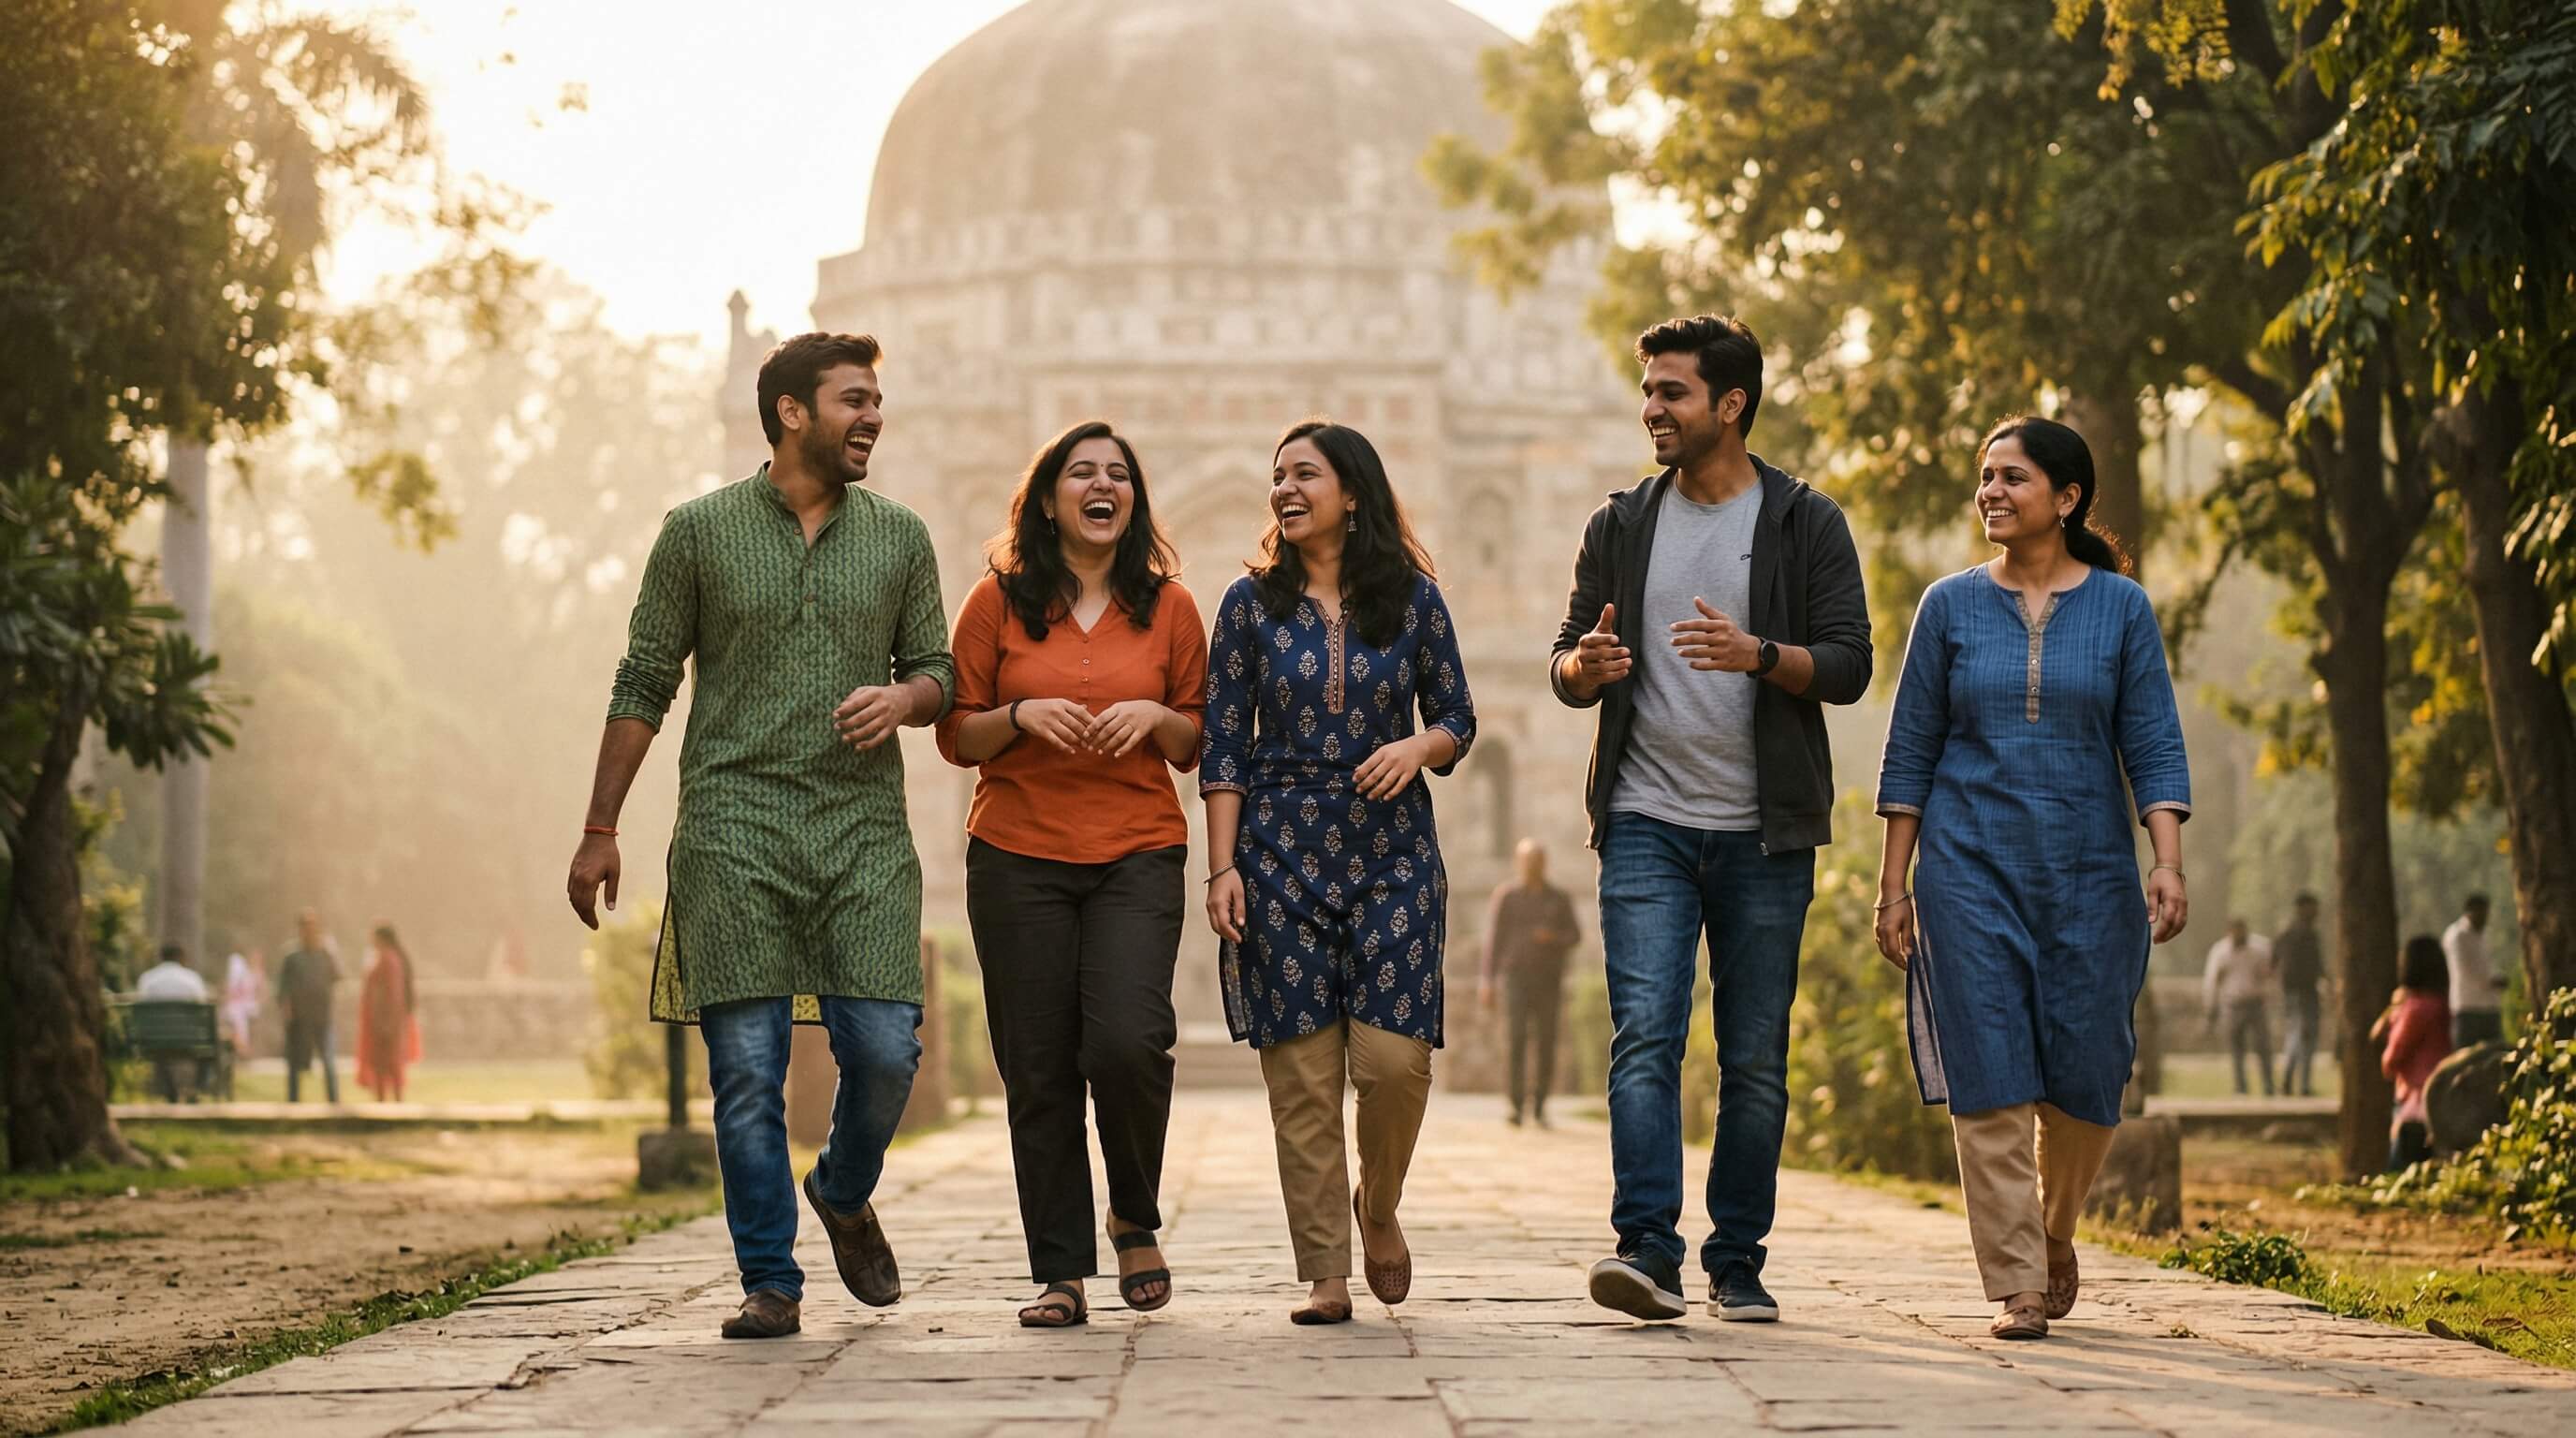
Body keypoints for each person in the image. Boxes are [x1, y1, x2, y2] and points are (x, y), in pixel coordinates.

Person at [566, 331, 954, 1341]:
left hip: (860, 827)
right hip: (733, 824)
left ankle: (840, 1185)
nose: (873, 416)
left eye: (878, 400)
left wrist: (905, 698)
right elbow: (644, 679)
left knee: (884, 1052)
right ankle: (769, 1279)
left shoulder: (900, 536)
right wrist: (600, 826)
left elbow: (940, 670)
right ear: (791, 412)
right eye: (853, 400)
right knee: (746, 1071)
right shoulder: (697, 532)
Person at [1551, 315, 1872, 1323]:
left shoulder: (1803, 522)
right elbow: (1565, 660)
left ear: (1730, 406)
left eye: (1672, 393)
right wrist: (1581, 669)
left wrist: (1760, 657)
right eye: (1646, 391)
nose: (1651, 408)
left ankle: (1737, 1259)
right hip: (1644, 813)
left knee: (1752, 1054)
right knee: (1644, 1035)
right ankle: (1647, 1249)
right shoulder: (1620, 525)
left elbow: (1851, 665)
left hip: (1762, 829)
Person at [1874, 415, 2191, 1343]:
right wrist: (1894, 887)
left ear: (2067, 497)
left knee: (2091, 1068)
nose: (1991, 493)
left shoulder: (2121, 611)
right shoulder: (1947, 607)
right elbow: (1908, 757)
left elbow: (2154, 745)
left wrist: (2164, 862)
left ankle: (2053, 1233)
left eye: (2011, 477)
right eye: (1984, 477)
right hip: (1967, 871)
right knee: (1990, 1073)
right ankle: (2016, 1282)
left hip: (2091, 872)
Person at [1203, 419, 1476, 1326]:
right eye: (1275, 475)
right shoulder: (1247, 605)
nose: (1284, 488)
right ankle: (1325, 1270)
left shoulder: (1413, 601)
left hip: (1389, 849)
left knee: (1393, 1063)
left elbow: (1458, 720)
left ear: (1351, 493)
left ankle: (1379, 1206)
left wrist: (1415, 745)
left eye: (1304, 474)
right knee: (1302, 1078)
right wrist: (1222, 869)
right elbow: (1222, 749)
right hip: (1278, 853)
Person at [934, 420, 1207, 1328]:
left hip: (1136, 848)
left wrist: (1150, 716)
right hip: (1017, 854)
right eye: (1081, 472)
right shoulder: (996, 603)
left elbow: (1199, 736)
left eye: (1118, 474)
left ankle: (1133, 1212)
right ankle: (1060, 1271)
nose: (1101, 485)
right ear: (1048, 496)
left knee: (1129, 1042)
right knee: (1039, 1067)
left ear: (1134, 500)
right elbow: (956, 735)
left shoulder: (1168, 609)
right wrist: (1020, 713)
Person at [1479, 839, 1580, 1128]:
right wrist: (1487, 981)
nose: (1532, 866)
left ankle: (1540, 1105)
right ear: (1519, 863)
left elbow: (1574, 935)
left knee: (1547, 1042)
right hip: (1515, 979)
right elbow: (1493, 942)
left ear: (1544, 863)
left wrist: (1553, 938)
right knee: (1516, 1040)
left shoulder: (1559, 898)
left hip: (1549, 980)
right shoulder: (1507, 896)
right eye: (1527, 860)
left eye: (1537, 860)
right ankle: (1515, 1105)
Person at [2375, 935, 2453, 1170]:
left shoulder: (2415, 1009)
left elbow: (2393, 1058)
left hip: (2414, 1101)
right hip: (2439, 1095)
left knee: (2401, 1167)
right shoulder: (2442, 1004)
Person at [2202, 918, 2276, 1096]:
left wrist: (2268, 992)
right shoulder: (2220, 952)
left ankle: (2268, 1085)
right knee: (2236, 1048)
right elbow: (2212, 981)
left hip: (2256, 1002)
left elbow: (2271, 974)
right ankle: (2241, 1087)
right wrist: (2211, 1007)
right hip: (2232, 1004)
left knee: (2263, 1046)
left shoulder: (2260, 948)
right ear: (2229, 933)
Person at [277, 910, 342, 1105]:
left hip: (322, 1015)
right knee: (294, 1063)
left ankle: (333, 1101)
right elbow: (282, 987)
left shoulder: (325, 953)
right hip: (298, 1016)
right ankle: (293, 1102)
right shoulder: (292, 956)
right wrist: (286, 1009)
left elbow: (337, 977)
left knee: (328, 1060)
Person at [355, 924, 422, 1103]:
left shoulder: (389, 959)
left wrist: (387, 1021)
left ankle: (389, 1102)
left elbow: (393, 993)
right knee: (384, 1063)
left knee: (388, 1063)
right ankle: (384, 1100)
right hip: (384, 1018)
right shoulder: (388, 958)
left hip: (386, 1020)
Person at [2274, 894, 2326, 1096]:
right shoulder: (2305, 934)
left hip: (2294, 992)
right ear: (2303, 908)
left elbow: (2274, 960)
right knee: (2303, 1038)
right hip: (2303, 992)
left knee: (2296, 1036)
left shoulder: (2286, 933)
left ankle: (2291, 1082)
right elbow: (2315, 964)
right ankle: (2300, 1084)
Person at [2441, 894, 2505, 1049]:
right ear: (2471, 911)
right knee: (2466, 1058)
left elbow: (2489, 964)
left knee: (2495, 1056)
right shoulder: (2457, 936)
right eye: (2482, 913)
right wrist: (2493, 981)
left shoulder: (2484, 934)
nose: (2485, 917)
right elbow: (2465, 969)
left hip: (2490, 1005)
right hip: (2467, 1005)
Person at [220, 948, 267, 1058]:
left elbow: (261, 992)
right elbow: (233, 989)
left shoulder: (258, 973)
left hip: (248, 1005)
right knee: (235, 1014)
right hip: (238, 1005)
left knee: (237, 1015)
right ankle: (240, 1047)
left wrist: (258, 1002)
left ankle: (241, 1047)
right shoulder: (243, 971)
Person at [135, 943, 212, 1002]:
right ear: (181, 958)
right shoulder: (193, 978)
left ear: (161, 957)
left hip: (154, 1022)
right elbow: (201, 1000)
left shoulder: (147, 977)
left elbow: (142, 999)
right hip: (186, 1022)